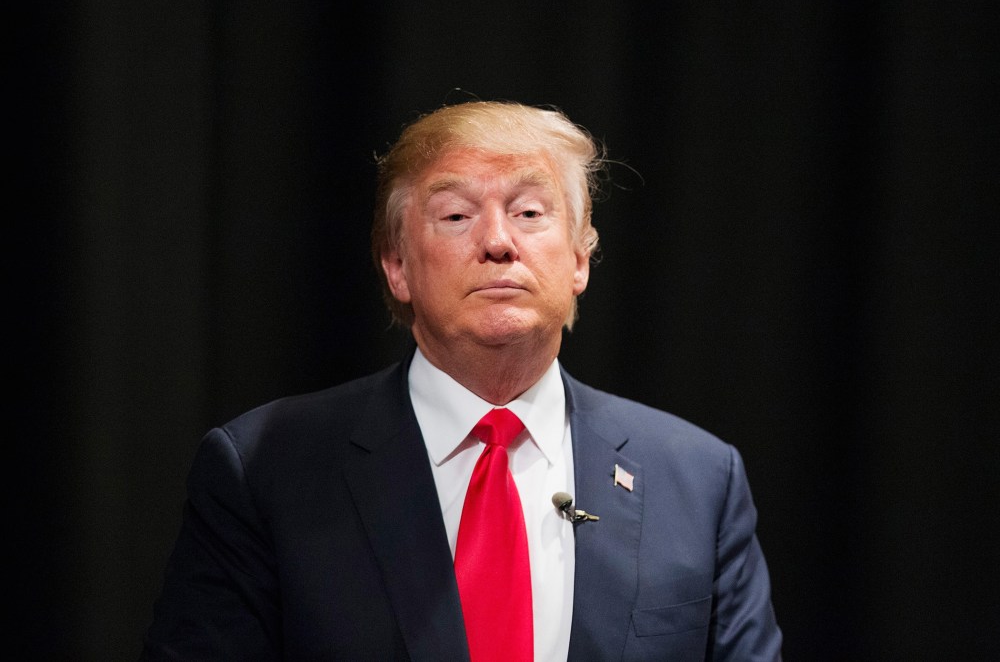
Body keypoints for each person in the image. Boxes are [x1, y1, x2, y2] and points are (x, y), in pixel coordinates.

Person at [141, 100, 782, 661]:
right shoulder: (264, 470)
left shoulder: (699, 480)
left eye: (530, 212)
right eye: (456, 217)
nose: (499, 242)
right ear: (396, 266)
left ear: (580, 259)